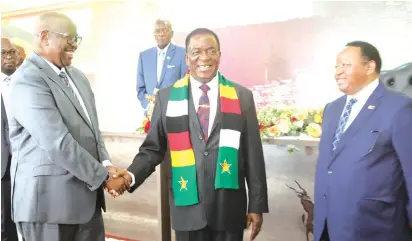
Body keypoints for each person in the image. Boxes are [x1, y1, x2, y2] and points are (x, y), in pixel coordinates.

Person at [108, 28, 269, 241]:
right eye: (196, 52)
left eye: (211, 51)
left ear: (220, 55)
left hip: (229, 209)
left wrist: (257, 205)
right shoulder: (166, 98)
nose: (204, 58)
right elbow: (153, 149)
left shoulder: (242, 97)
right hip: (187, 208)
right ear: (186, 58)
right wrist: (130, 176)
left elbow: (253, 154)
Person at [8, 12, 129, 241]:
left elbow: (93, 131)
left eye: (77, 39)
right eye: (69, 38)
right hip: (48, 207)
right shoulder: (27, 80)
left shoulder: (78, 77)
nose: (74, 45)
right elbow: (57, 142)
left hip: (86, 202)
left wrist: (106, 164)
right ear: (44, 38)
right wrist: (103, 176)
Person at [314, 41, 412, 241]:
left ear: (370, 67)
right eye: (336, 66)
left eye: (346, 65)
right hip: (328, 226)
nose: (338, 73)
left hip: (375, 226)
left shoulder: (399, 108)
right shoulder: (332, 109)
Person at [136, 19, 187, 110]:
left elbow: (185, 85)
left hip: (174, 112)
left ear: (172, 33)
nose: (161, 34)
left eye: (165, 30)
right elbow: (140, 88)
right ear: (154, 34)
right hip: (151, 114)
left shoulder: (182, 54)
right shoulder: (144, 56)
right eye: (157, 31)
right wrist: (149, 106)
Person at [1, 37, 19, 241]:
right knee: (5, 222)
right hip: (3, 163)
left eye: (11, 52)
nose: (8, 57)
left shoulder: (28, 82)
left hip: (27, 161)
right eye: (2, 53)